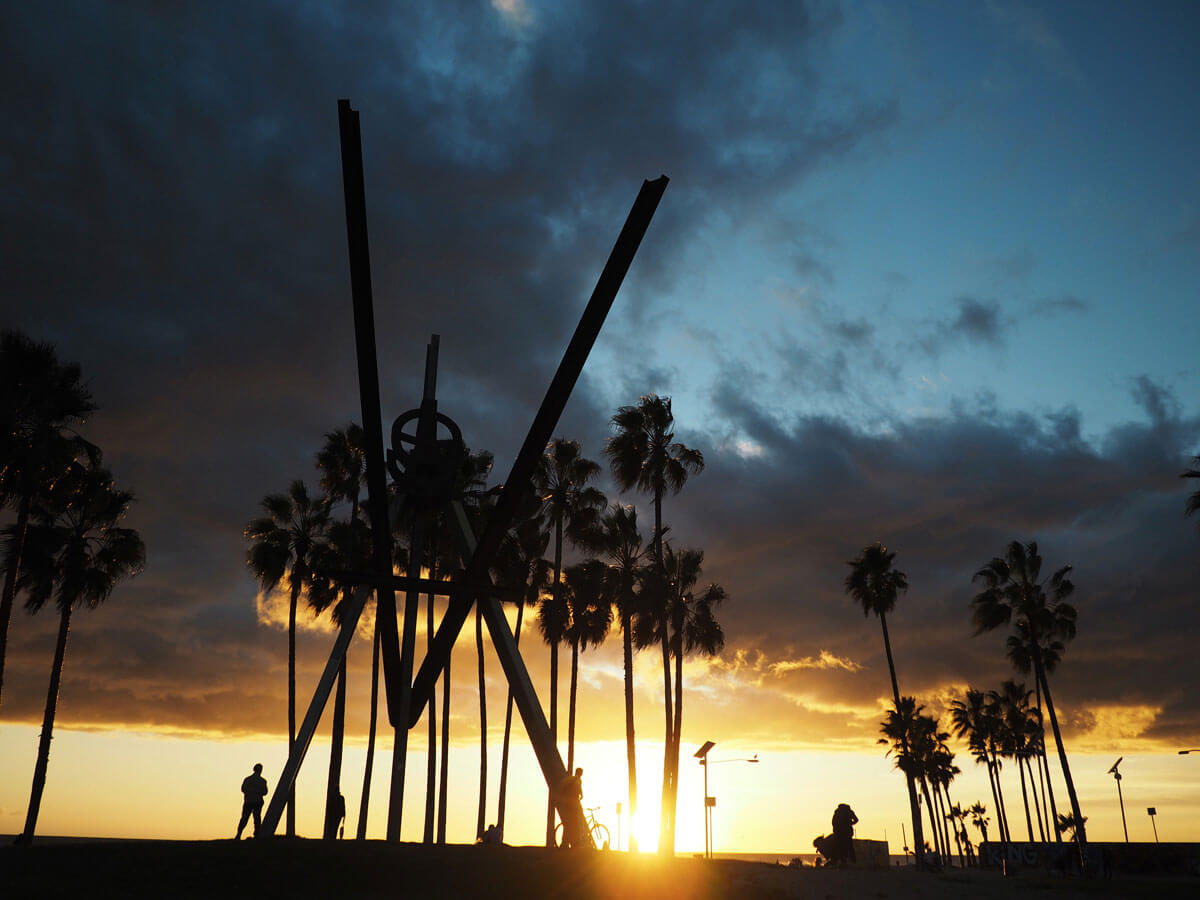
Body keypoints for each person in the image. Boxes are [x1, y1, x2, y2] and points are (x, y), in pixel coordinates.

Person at [236, 763, 269, 839]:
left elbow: (243, 789)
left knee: (245, 818)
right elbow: (265, 792)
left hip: (249, 801)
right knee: (257, 819)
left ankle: (239, 834)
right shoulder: (262, 781)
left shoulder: (248, 779)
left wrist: (251, 792)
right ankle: (256, 835)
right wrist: (257, 791)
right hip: (257, 802)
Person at [556, 767, 585, 848]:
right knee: (574, 823)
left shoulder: (571, 780)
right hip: (573, 804)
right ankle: (573, 842)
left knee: (569, 824)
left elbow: (562, 786)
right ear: (580, 773)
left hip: (570, 804)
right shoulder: (576, 780)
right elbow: (579, 791)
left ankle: (565, 843)